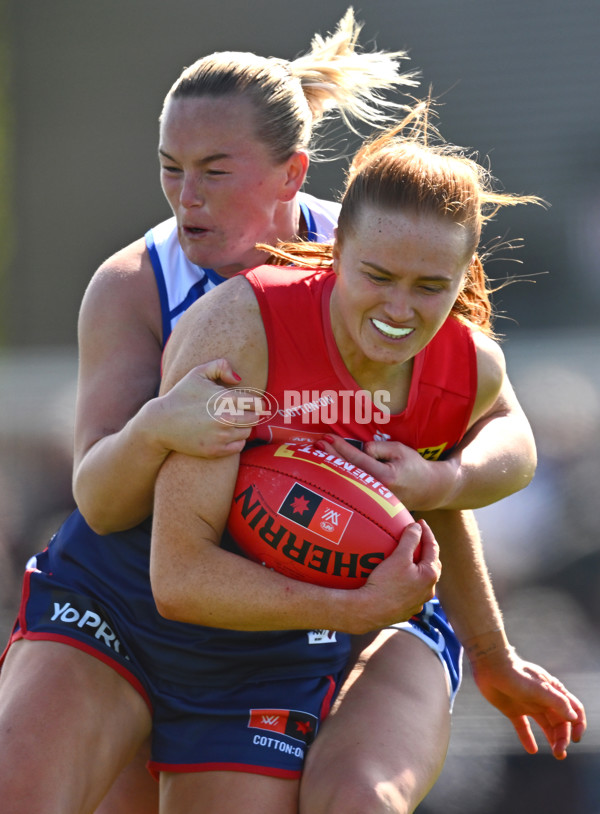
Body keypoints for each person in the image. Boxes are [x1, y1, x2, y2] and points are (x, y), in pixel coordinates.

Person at [0, 10, 579, 814]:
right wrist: (162, 426)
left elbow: (479, 430)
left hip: (280, 612)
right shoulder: (141, 284)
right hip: (127, 587)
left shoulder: (382, 262)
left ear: (292, 174)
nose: (185, 196)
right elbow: (104, 503)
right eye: (170, 168)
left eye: (214, 170)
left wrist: (443, 487)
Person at [150, 102, 586, 813]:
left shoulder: (465, 361)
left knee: (362, 799)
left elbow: (514, 455)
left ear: (462, 273)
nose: (399, 309)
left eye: (429, 287)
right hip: (237, 623)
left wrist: (492, 653)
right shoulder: (243, 325)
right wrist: (350, 603)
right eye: (378, 274)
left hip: (391, 615)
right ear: (335, 249)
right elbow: (178, 577)